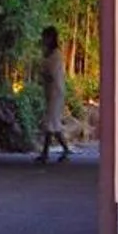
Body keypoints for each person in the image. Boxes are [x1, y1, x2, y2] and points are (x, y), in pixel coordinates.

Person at [36, 25, 70, 164]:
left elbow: (52, 74)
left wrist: (43, 74)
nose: (44, 40)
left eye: (46, 37)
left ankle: (49, 152)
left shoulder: (56, 55)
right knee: (53, 123)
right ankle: (57, 150)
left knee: (51, 123)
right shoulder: (49, 54)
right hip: (51, 91)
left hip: (56, 91)